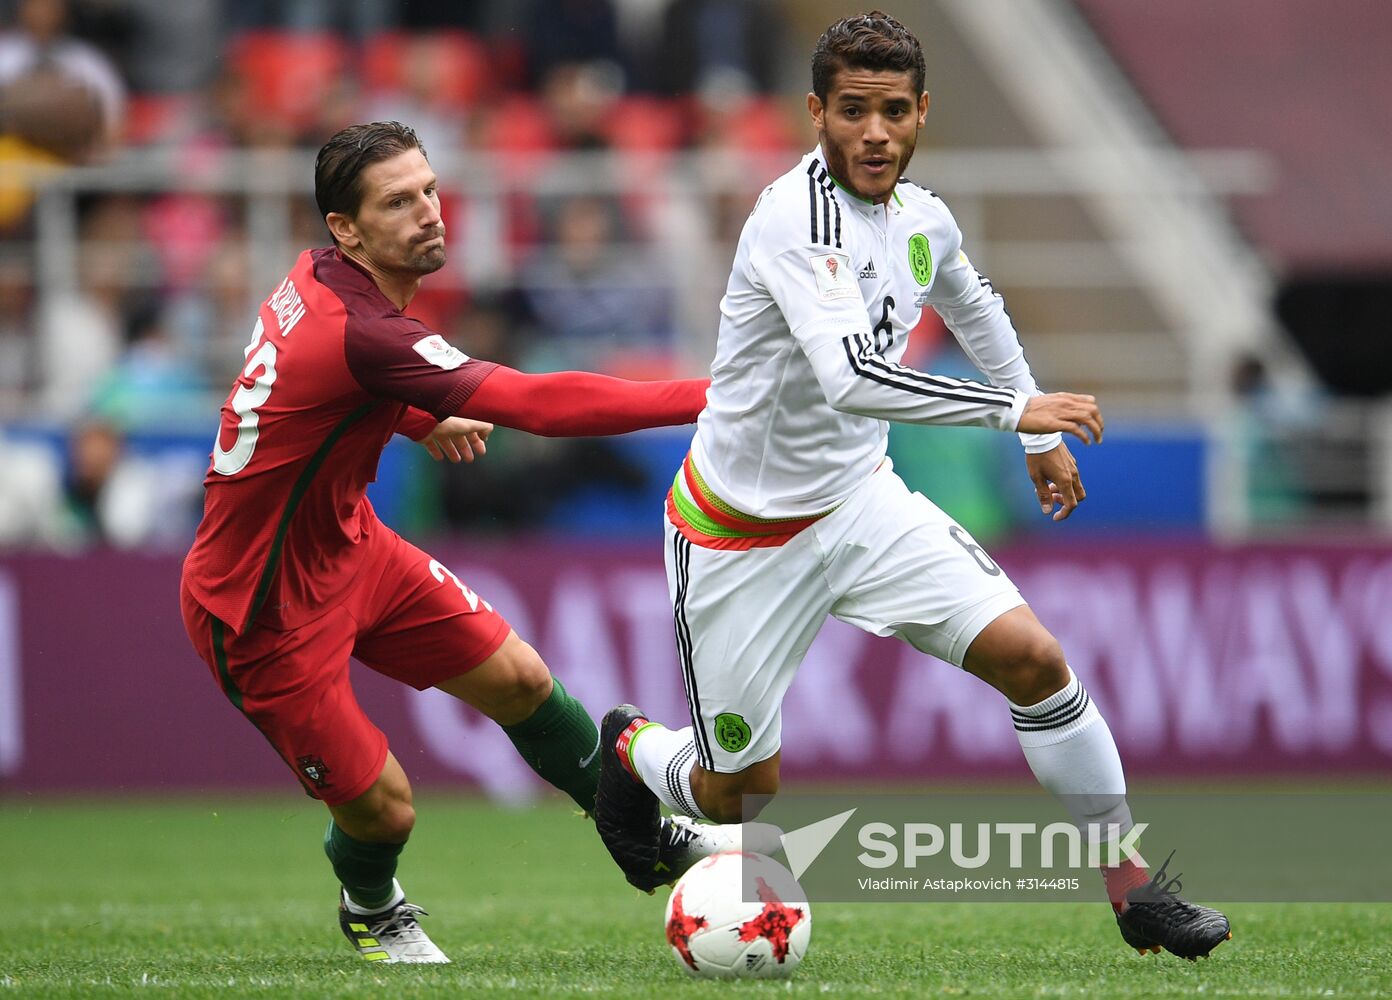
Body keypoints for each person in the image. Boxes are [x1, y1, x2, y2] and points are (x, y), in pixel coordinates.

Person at [593, 12, 1232, 961]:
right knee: (737, 796)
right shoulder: (793, 220)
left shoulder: (923, 218)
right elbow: (852, 378)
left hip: (860, 501)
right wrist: (1018, 413)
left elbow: (978, 308)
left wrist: (1034, 434)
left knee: (1034, 659)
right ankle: (632, 746)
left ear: (922, 111)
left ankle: (1132, 887)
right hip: (738, 537)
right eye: (853, 110)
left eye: (894, 111)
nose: (875, 133)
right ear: (816, 112)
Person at [178, 121, 735, 966]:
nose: (429, 213)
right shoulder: (365, 330)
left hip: (350, 547)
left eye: (429, 190)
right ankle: (372, 906)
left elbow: (301, 393)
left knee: (521, 679)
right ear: (346, 228)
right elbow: (539, 406)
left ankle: (646, 834)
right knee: (386, 811)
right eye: (398, 203)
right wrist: (719, 394)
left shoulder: (318, 279)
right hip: (260, 607)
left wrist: (413, 415)